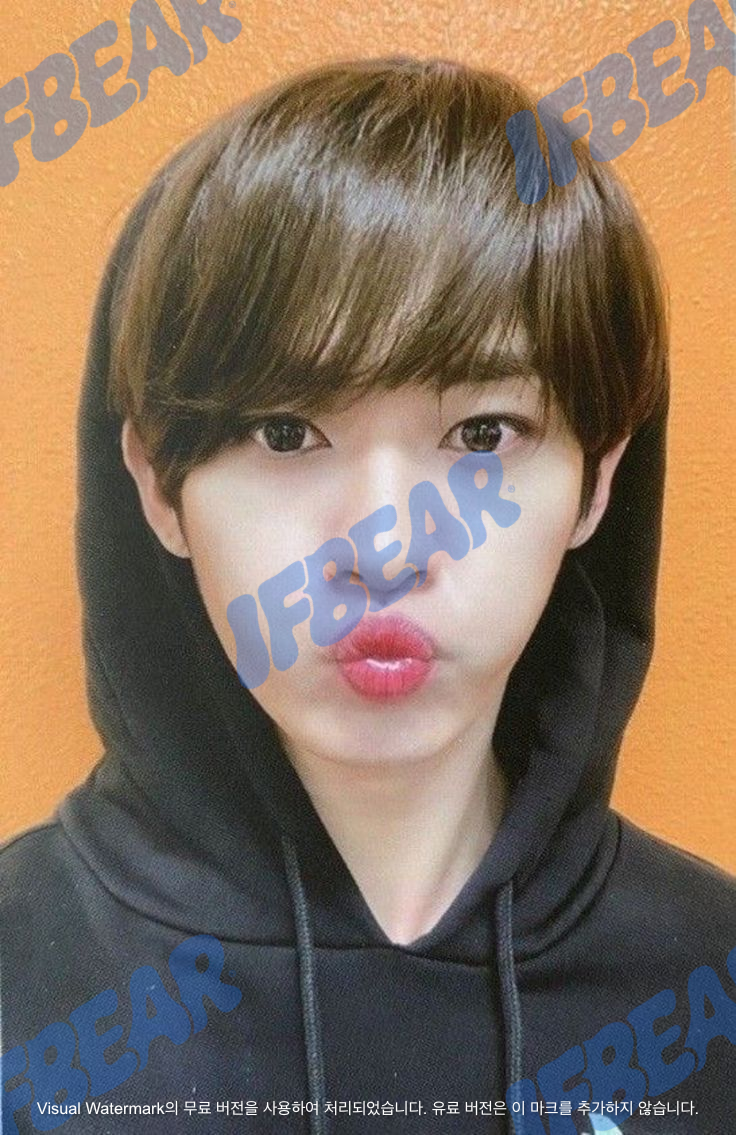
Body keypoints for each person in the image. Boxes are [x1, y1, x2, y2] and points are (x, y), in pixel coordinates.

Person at [1, 57, 734, 1135]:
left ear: (595, 484)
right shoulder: (21, 978)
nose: (385, 549)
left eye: (483, 433)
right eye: (286, 431)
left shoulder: (707, 978)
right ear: (158, 484)